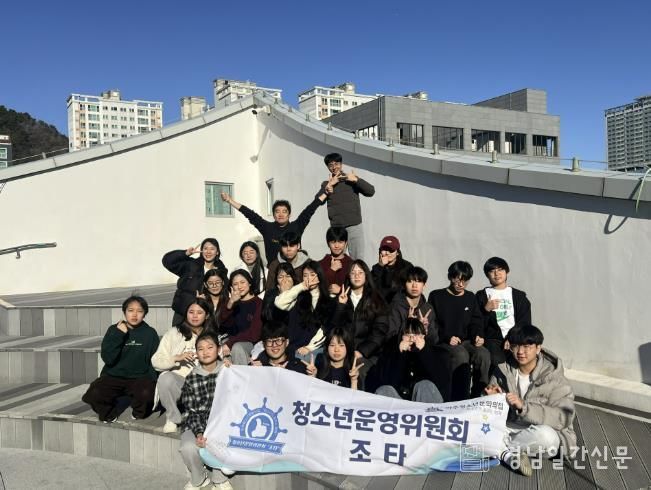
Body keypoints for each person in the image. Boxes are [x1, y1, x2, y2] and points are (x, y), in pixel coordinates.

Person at [485, 325, 577, 477]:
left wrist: (524, 407)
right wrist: (491, 398)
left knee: (547, 437)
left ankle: (498, 448)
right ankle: (508, 454)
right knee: (480, 427)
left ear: (538, 348)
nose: (520, 352)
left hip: (536, 432)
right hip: (508, 427)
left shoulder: (555, 378)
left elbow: (563, 417)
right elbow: (488, 412)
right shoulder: (503, 370)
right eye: (515, 346)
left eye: (527, 347)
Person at [82, 296, 159, 423]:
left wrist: (152, 382)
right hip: (114, 376)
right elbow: (108, 358)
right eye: (130, 310)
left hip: (140, 377)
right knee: (94, 393)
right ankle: (109, 413)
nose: (134, 315)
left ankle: (138, 412)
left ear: (144, 314)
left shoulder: (150, 333)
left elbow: (155, 359)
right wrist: (119, 334)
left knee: (147, 393)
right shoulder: (114, 330)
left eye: (139, 311)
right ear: (124, 312)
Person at [152, 299, 217, 433]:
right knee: (165, 378)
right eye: (191, 312)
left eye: (199, 312)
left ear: (207, 315)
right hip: (180, 381)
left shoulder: (212, 335)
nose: (194, 316)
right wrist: (176, 358)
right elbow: (156, 361)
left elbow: (220, 358)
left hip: (205, 382)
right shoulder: (174, 333)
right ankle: (173, 418)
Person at [179, 331, 234, 490]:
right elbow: (191, 411)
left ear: (218, 350)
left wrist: (231, 367)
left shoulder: (228, 371)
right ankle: (199, 478)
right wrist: (199, 432)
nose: (205, 352)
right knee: (188, 447)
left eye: (210, 347)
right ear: (196, 353)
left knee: (223, 440)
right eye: (200, 349)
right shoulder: (191, 378)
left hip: (223, 423)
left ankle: (219, 478)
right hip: (197, 422)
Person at [428, 261, 490, 400]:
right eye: (457, 279)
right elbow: (432, 323)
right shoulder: (436, 296)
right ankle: (460, 398)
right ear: (450, 277)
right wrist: (446, 337)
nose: (461, 284)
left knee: (483, 354)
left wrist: (478, 336)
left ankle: (479, 396)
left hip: (466, 341)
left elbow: (476, 321)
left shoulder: (470, 297)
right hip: (444, 341)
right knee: (461, 355)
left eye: (465, 280)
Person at [220, 190, 327, 263]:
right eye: (277, 211)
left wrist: (326, 193)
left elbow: (310, 209)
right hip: (274, 272)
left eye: (284, 211)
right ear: (273, 214)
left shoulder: (297, 226)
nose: (281, 214)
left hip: (295, 269)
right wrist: (230, 201)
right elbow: (250, 214)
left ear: (289, 214)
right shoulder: (267, 228)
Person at [332, 260, 389, 390]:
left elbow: (380, 331)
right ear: (349, 276)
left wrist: (362, 351)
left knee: (359, 370)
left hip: (367, 354)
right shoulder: (341, 297)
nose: (356, 276)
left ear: (366, 276)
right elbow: (333, 328)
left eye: (360, 272)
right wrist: (340, 306)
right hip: (342, 351)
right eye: (353, 273)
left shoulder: (376, 300)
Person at [476, 257, 532, 367]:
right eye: (492, 271)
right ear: (487, 275)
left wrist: (512, 337)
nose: (497, 274)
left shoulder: (519, 296)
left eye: (500, 269)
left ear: (507, 271)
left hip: (516, 337)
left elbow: (525, 322)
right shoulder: (481, 296)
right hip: (493, 340)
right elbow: (476, 322)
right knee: (499, 363)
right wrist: (486, 310)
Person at [274, 260, 335, 358]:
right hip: (293, 346)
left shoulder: (330, 299)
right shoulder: (298, 295)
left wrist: (309, 347)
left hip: (314, 348)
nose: (309, 278)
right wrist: (301, 286)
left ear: (319, 276)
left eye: (312, 275)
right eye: (305, 275)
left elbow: (324, 330)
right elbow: (279, 303)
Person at [374, 318, 444, 403]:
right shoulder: (391, 353)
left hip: (424, 403)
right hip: (399, 404)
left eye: (416, 334)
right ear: (401, 337)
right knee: (384, 390)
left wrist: (424, 352)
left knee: (425, 385)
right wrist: (401, 355)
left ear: (423, 336)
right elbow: (387, 382)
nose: (411, 339)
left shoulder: (435, 353)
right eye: (407, 335)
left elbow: (440, 384)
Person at [321, 153, 375, 260]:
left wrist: (356, 180)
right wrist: (328, 187)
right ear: (328, 167)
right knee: (337, 258)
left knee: (357, 259)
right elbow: (319, 200)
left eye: (336, 164)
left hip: (354, 225)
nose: (334, 167)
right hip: (337, 228)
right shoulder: (326, 184)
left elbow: (371, 191)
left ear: (341, 164)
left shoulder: (351, 179)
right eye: (330, 165)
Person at [163, 238, 228, 324]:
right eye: (205, 248)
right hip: (183, 312)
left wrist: (207, 301)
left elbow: (224, 295)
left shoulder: (221, 271)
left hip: (205, 315)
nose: (208, 252)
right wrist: (185, 253)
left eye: (212, 249)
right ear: (201, 251)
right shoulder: (191, 265)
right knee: (176, 333)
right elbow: (167, 261)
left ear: (217, 252)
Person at [218, 269, 263, 366]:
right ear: (231, 287)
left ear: (249, 283)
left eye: (242, 282)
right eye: (235, 284)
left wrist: (230, 343)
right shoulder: (230, 303)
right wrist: (230, 303)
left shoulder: (259, 303)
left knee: (237, 347)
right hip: (229, 342)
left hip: (250, 343)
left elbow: (254, 334)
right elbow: (223, 325)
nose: (239, 286)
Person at [370, 236, 413, 304]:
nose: (387, 253)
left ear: (397, 252)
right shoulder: (376, 268)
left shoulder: (407, 267)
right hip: (381, 305)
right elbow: (371, 288)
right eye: (384, 249)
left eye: (391, 250)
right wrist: (380, 266)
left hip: (400, 305)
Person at [318, 226, 353, 295]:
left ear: (346, 243)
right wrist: (332, 270)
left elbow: (357, 289)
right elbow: (319, 287)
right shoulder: (321, 263)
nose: (336, 246)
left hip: (346, 301)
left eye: (340, 242)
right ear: (328, 244)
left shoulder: (351, 264)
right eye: (333, 242)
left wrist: (340, 290)